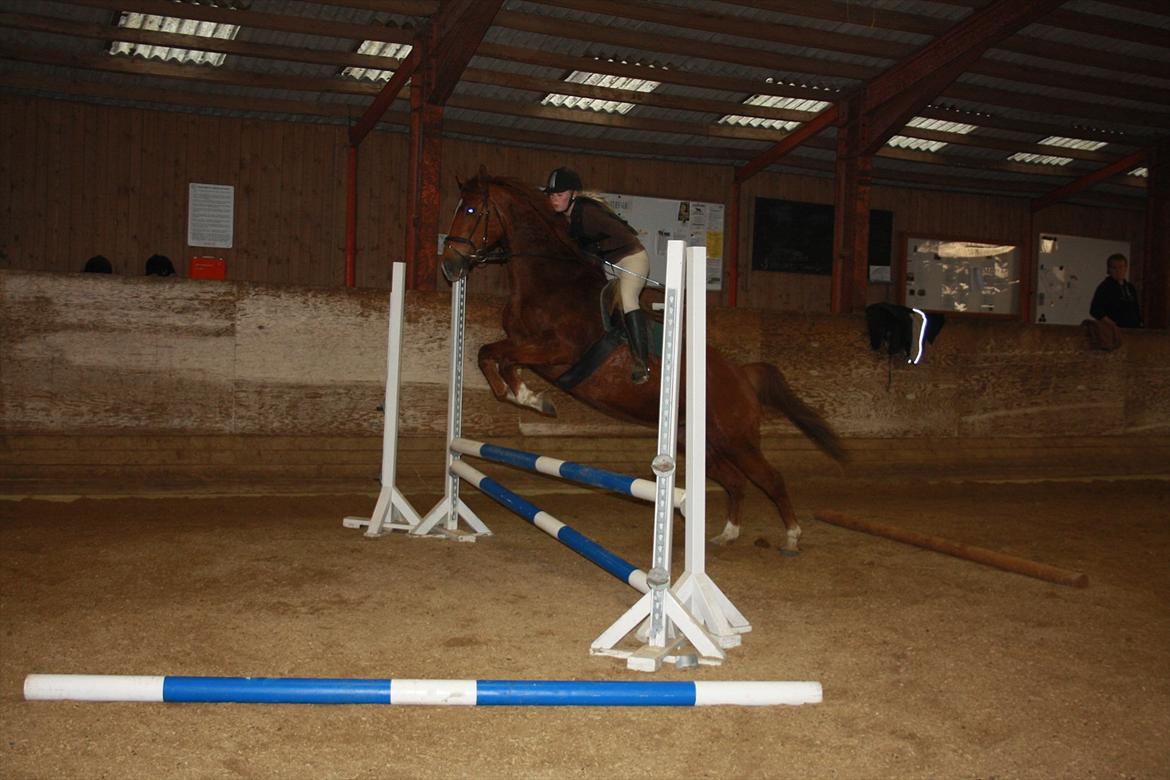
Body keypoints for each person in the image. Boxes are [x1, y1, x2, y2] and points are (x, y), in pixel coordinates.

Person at [542, 167, 652, 384]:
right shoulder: (568, 216)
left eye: (560, 195)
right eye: (552, 195)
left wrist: (591, 250)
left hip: (632, 260)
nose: (554, 199)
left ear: (573, 194)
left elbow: (623, 237)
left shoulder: (587, 212)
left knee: (628, 300)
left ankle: (642, 362)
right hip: (610, 266)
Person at [1089, 253, 1142, 328]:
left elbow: (1136, 309)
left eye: (1121, 267)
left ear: (1126, 268)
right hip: (1113, 332)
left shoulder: (1130, 287)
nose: (1118, 271)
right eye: (1114, 268)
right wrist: (1112, 324)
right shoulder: (1105, 287)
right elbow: (1095, 310)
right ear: (1109, 269)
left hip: (1132, 330)